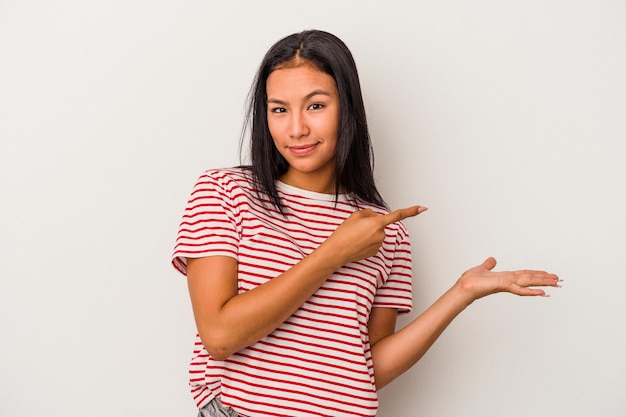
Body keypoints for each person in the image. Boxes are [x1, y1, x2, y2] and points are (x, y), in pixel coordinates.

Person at [172, 29, 560, 417]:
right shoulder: (224, 192)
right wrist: (333, 254)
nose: (296, 129)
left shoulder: (385, 231)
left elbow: (364, 370)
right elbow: (220, 337)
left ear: (348, 109)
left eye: (316, 106)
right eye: (279, 109)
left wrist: (460, 293)